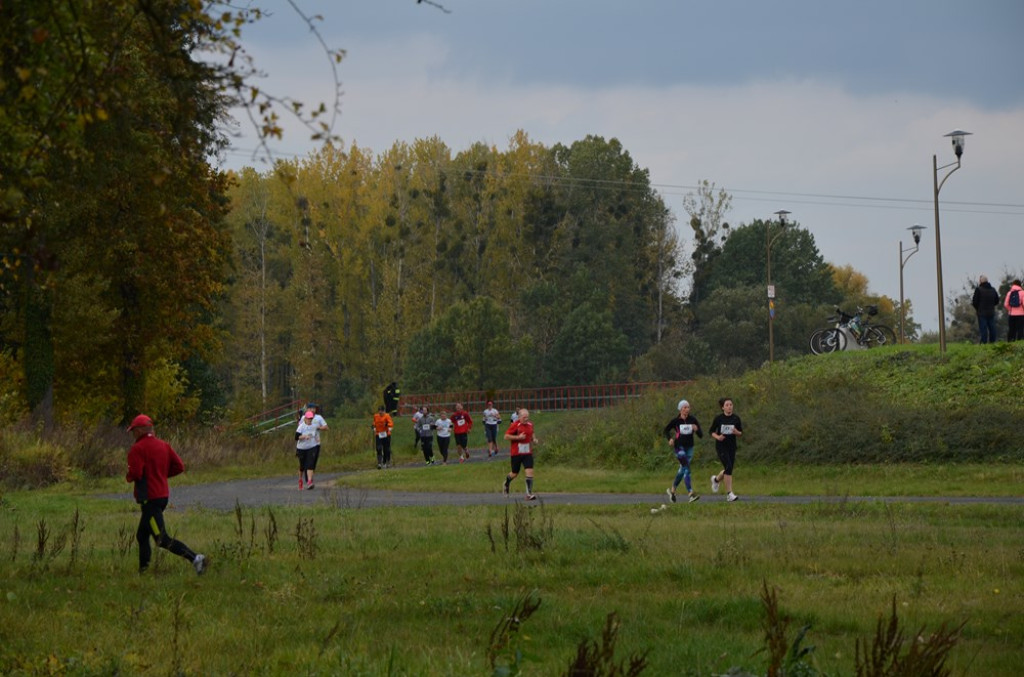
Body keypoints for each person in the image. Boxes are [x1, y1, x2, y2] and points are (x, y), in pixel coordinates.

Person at [125, 414, 206, 575]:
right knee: (142, 535)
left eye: (133, 430)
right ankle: (143, 571)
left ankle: (196, 558)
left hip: (149, 500)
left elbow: (135, 473)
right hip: (162, 496)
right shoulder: (164, 445)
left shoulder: (137, 449)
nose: (133, 434)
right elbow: (179, 466)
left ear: (140, 430)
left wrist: (129, 476)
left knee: (161, 539)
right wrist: (161, 476)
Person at [662, 399, 702, 503]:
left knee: (682, 470)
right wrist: (669, 438)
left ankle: (672, 491)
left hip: (690, 447)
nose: (686, 409)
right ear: (680, 409)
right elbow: (666, 430)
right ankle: (690, 493)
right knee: (687, 468)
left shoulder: (693, 420)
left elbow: (701, 435)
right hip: (679, 447)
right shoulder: (676, 421)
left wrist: (696, 429)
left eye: (688, 407)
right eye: (684, 407)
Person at [710, 397, 743, 502]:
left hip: (731, 446)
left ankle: (716, 480)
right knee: (728, 467)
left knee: (729, 469)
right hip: (721, 446)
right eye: (727, 405)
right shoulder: (718, 419)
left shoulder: (736, 419)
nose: (729, 407)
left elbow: (740, 433)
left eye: (731, 405)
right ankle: (729, 494)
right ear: (723, 407)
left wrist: (736, 432)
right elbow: (711, 431)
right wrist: (718, 437)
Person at [502, 408, 537, 500]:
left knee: (529, 471)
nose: (526, 419)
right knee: (514, 473)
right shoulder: (515, 425)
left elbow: (531, 433)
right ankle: (506, 483)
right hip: (516, 453)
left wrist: (534, 439)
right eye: (524, 417)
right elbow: (506, 436)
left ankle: (529, 494)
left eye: (527, 417)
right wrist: (518, 437)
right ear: (519, 417)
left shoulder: (530, 424)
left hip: (527, 452)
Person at [296, 408, 327, 490]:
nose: (310, 420)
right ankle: (300, 480)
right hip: (301, 448)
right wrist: (303, 437)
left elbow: (316, 433)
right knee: (302, 466)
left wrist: (316, 439)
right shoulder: (301, 426)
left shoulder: (314, 425)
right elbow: (296, 437)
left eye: (311, 418)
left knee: (310, 464)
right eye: (309, 418)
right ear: (305, 418)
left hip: (312, 446)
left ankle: (309, 482)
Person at [971, 275, 1001, 344]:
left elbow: (975, 302)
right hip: (991, 312)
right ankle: (992, 342)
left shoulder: (978, 289)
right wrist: (992, 306)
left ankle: (984, 342)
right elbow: (997, 300)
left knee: (983, 328)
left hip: (981, 312)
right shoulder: (993, 289)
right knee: (992, 328)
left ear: (980, 281)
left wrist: (978, 309)